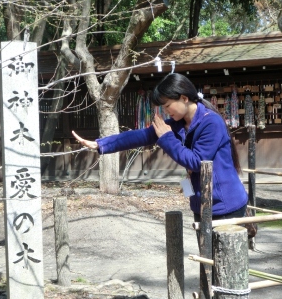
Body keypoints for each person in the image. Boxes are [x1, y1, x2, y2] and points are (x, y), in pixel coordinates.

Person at [72, 73, 248, 221]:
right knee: (207, 262)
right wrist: (100, 144)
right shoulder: (177, 124)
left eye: (168, 105)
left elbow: (197, 162)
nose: (165, 112)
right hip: (202, 205)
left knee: (224, 262)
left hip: (226, 206)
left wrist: (166, 137)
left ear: (184, 98)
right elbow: (139, 136)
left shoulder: (211, 122)